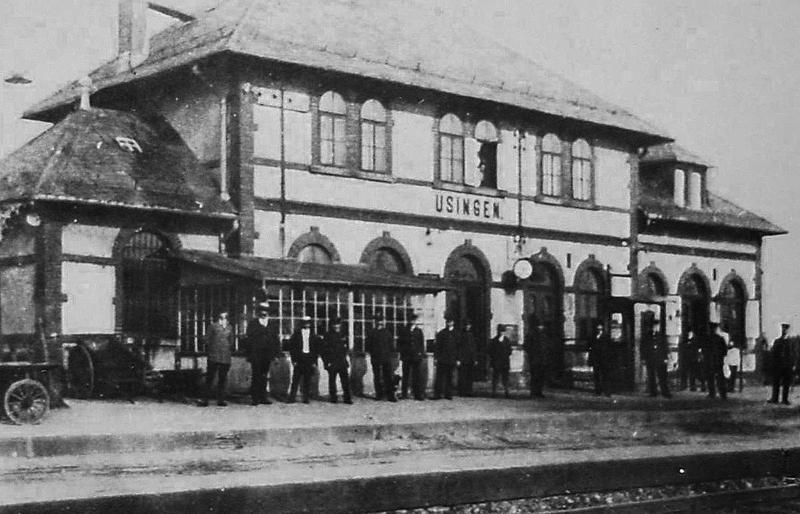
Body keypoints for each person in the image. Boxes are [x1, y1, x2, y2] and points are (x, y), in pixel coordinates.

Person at [245, 302, 282, 406]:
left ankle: (263, 397)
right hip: (256, 354)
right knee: (256, 375)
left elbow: (275, 340)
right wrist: (249, 354)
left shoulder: (272, 324)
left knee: (264, 375)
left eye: (265, 310)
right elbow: (249, 340)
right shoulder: (253, 323)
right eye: (262, 310)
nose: (263, 312)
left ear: (268, 312)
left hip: (267, 354)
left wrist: (276, 355)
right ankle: (255, 398)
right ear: (259, 311)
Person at [198, 310, 233, 407]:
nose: (224, 317)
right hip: (213, 355)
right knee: (210, 378)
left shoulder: (230, 327)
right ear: (218, 316)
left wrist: (227, 348)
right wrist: (212, 347)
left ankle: (221, 399)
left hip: (225, 356)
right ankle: (205, 400)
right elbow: (206, 339)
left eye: (226, 315)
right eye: (222, 315)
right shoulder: (213, 326)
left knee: (222, 378)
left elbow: (231, 341)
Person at [288, 316, 321, 403]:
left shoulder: (313, 335)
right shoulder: (296, 334)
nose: (307, 324)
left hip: (309, 358)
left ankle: (306, 398)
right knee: (295, 379)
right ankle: (292, 397)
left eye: (308, 322)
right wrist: (294, 360)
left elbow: (316, 350)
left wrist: (314, 362)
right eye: (305, 322)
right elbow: (292, 348)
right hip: (299, 358)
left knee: (307, 379)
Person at [366, 313, 396, 402]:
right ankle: (379, 394)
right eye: (378, 321)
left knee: (388, 377)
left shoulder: (387, 332)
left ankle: (390, 395)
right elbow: (368, 345)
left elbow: (391, 345)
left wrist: (390, 354)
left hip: (386, 358)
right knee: (377, 376)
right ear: (375, 322)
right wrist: (373, 353)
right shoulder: (372, 333)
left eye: (381, 320)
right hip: (376, 358)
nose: (379, 322)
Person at [322, 318, 352, 404]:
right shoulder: (328, 335)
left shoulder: (343, 334)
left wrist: (346, 360)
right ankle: (333, 397)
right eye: (335, 324)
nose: (336, 326)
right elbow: (324, 350)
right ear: (332, 326)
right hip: (332, 361)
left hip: (342, 361)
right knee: (332, 380)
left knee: (345, 381)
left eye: (338, 324)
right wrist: (326, 362)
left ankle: (347, 398)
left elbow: (345, 348)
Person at [397, 313, 426, 400]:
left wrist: (420, 354)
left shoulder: (419, 331)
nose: (413, 321)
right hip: (406, 356)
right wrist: (401, 353)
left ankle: (417, 394)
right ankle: (404, 394)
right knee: (405, 375)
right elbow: (400, 343)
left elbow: (421, 344)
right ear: (409, 320)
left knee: (416, 376)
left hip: (416, 357)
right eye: (411, 320)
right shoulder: (404, 330)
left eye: (414, 320)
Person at [432, 315, 459, 400]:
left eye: (451, 322)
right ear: (446, 323)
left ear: (453, 323)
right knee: (439, 377)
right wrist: (436, 358)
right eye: (448, 322)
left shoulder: (457, 334)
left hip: (452, 358)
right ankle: (437, 394)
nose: (449, 323)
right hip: (442, 358)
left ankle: (448, 394)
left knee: (449, 377)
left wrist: (458, 359)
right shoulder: (442, 333)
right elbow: (437, 347)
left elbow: (459, 347)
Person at [642, 322, 671, 398]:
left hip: (660, 358)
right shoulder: (647, 336)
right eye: (654, 326)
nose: (656, 328)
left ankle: (665, 392)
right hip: (651, 358)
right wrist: (644, 358)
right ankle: (653, 392)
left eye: (657, 326)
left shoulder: (661, 336)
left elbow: (665, 347)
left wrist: (665, 358)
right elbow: (643, 347)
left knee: (662, 376)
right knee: (651, 376)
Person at [769, 323, 794, 405]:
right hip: (778, 365)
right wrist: (773, 363)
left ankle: (785, 399)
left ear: (788, 331)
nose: (784, 331)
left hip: (787, 366)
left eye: (786, 330)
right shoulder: (777, 341)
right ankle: (774, 398)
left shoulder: (791, 342)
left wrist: (793, 364)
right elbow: (773, 353)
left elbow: (794, 354)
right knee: (776, 382)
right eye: (783, 329)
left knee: (786, 383)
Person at [705, 322, 728, 400]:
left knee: (710, 377)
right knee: (720, 377)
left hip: (710, 361)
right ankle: (723, 394)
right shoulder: (720, 339)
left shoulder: (707, 339)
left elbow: (705, 350)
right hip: (718, 360)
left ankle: (712, 393)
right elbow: (725, 351)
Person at [587, 322, 611, 396]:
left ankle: (607, 391)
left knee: (605, 375)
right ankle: (598, 391)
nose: (599, 330)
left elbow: (607, 347)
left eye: (600, 329)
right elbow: (590, 346)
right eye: (598, 329)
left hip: (603, 358)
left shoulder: (606, 336)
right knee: (596, 375)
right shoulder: (593, 336)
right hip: (596, 359)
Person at [524, 316, 546, 398]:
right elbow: (526, 346)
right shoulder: (531, 334)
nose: (541, 327)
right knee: (535, 375)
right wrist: (532, 353)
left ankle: (538, 391)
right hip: (535, 358)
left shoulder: (542, 335)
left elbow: (545, 346)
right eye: (539, 325)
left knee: (540, 375)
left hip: (541, 358)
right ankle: (534, 392)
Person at [489, 324, 512, 397]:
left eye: (503, 331)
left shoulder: (507, 340)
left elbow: (509, 351)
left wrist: (505, 355)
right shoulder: (494, 340)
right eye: (500, 331)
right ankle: (494, 392)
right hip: (497, 362)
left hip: (505, 362)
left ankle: (506, 392)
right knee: (495, 377)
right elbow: (490, 351)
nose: (502, 333)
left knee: (505, 378)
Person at [457, 319, 477, 396]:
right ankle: (462, 391)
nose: (468, 326)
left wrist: (475, 359)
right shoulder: (461, 335)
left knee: (470, 376)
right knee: (462, 376)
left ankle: (469, 391)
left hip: (470, 359)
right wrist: (458, 359)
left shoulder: (471, 335)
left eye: (469, 325)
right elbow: (458, 348)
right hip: (463, 358)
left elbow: (473, 348)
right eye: (466, 325)